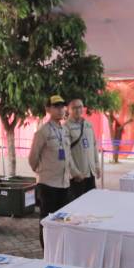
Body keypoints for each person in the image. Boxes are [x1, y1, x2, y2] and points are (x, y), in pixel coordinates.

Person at [29, 95, 80, 246]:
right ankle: (46, 250)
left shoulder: (64, 130)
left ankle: (58, 248)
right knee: (47, 221)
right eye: (56, 106)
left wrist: (75, 172)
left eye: (62, 106)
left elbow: (68, 156)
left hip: (64, 184)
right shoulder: (43, 132)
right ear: (48, 109)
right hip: (48, 185)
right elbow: (33, 158)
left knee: (62, 220)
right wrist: (42, 172)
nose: (60, 110)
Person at [66, 98, 100, 200]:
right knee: (77, 204)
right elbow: (66, 153)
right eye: (74, 108)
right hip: (77, 176)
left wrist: (97, 165)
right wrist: (74, 172)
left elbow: (94, 146)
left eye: (80, 107)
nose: (78, 110)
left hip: (90, 172)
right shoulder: (66, 127)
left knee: (92, 202)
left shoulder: (88, 124)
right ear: (69, 110)